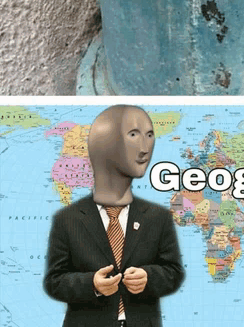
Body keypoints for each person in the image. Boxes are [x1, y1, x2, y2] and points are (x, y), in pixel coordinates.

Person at [43, 105, 185, 327]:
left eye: (149, 135)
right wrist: (91, 284)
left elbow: (174, 273)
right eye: (133, 135)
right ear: (105, 145)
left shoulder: (158, 218)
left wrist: (149, 278)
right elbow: (54, 281)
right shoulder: (67, 219)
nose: (145, 147)